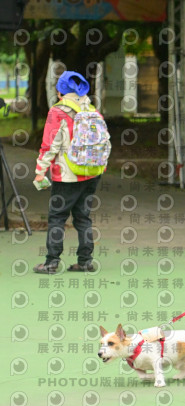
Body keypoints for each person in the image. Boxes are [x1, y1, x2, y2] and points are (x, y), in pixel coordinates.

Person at [33, 71, 108, 273]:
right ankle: (85, 261)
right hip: (92, 172)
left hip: (67, 174)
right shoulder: (92, 109)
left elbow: (50, 145)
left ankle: (51, 262)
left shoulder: (57, 112)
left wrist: (40, 170)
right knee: (83, 217)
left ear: (60, 92)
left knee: (57, 217)